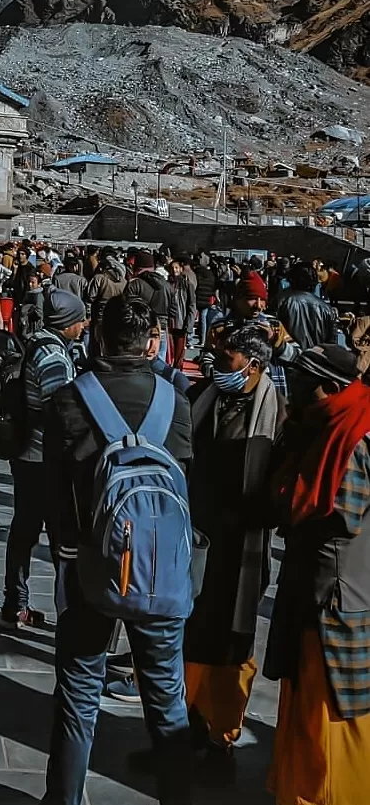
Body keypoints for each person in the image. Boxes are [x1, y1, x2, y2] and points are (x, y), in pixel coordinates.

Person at [44, 295, 195, 805]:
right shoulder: (177, 400)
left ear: (99, 337)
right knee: (166, 697)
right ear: (150, 340)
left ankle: (64, 798)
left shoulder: (70, 398)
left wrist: (64, 558)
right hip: (161, 568)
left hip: (92, 562)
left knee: (79, 691)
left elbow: (57, 492)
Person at [265, 341, 370, 805]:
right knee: (305, 702)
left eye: (306, 382)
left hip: (335, 596)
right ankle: (296, 788)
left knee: (328, 711)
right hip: (315, 588)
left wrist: (287, 498)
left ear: (327, 388)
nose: (297, 389)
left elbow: (342, 518)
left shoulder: (354, 437)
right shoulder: (325, 425)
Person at [182, 324, 284, 781]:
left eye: (226, 361)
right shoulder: (205, 396)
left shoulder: (277, 414)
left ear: (254, 366)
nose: (216, 367)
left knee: (233, 637)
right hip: (200, 535)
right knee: (191, 628)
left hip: (243, 542)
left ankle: (223, 732)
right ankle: (186, 722)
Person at [2, 288, 86, 634]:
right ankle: (66, 611)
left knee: (25, 530)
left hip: (28, 455)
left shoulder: (38, 342)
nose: (83, 325)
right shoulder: (52, 356)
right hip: (42, 458)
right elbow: (59, 411)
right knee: (56, 537)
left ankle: (15, 604)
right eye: (79, 320)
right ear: (66, 323)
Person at [277, 262, 337, 351]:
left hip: (288, 355)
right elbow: (331, 341)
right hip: (315, 358)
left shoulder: (283, 300)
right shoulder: (326, 308)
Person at [167, 256, 197, 371]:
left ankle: (177, 372)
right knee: (170, 352)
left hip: (181, 322)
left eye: (176, 267)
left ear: (181, 269)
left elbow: (192, 305)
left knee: (179, 353)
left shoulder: (187, 285)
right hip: (169, 322)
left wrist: (189, 324)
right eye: (172, 268)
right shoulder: (167, 284)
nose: (174, 270)